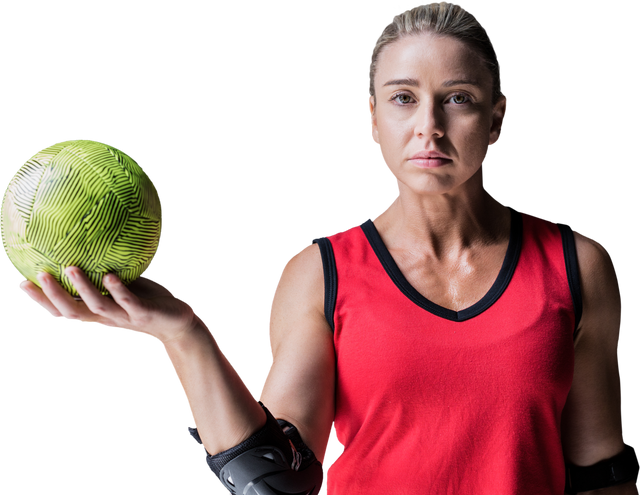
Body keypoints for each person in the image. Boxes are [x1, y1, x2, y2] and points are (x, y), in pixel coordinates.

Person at [16, 1, 638, 494]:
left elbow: (599, 473)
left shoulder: (577, 265)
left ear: (498, 119)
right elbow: (276, 478)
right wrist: (183, 332)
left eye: (458, 99)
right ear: (373, 121)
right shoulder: (321, 272)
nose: (429, 125)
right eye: (403, 98)